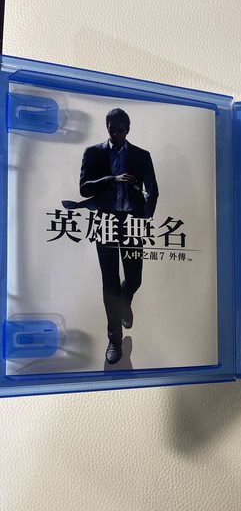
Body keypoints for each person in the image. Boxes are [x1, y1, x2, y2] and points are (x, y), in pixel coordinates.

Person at [79, 108, 158, 364]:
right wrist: (112, 179)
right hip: (106, 222)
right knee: (110, 283)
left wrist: (145, 220)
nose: (116, 134)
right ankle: (114, 340)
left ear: (128, 129)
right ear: (107, 127)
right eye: (112, 129)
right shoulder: (93, 153)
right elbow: (84, 189)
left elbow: (153, 191)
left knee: (134, 278)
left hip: (133, 222)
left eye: (121, 129)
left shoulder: (141, 155)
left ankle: (125, 300)